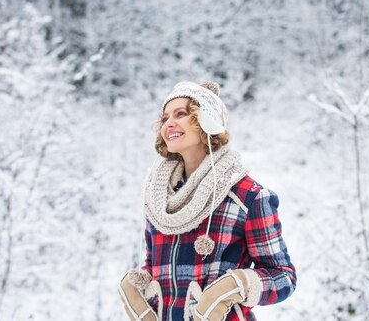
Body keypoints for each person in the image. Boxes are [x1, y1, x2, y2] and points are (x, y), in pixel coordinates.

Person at [118, 81, 296, 321]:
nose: (169, 123)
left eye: (180, 114)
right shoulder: (159, 198)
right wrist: (136, 287)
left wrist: (237, 285)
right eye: (165, 117)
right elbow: (156, 266)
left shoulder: (248, 197)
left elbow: (284, 276)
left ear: (206, 121)